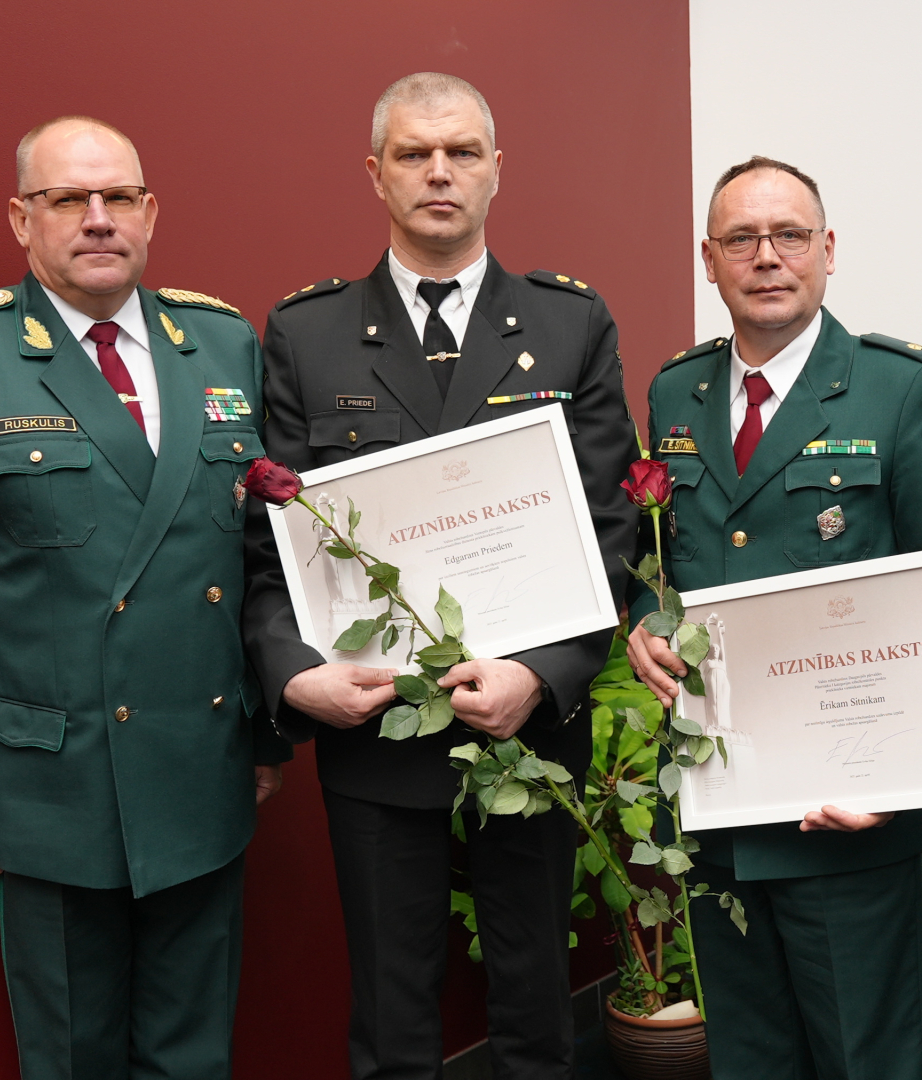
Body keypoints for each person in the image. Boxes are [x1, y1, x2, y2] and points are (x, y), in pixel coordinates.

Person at [0, 116, 290, 1079]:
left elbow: (254, 560)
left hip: (201, 768)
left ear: (150, 212)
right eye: (68, 199)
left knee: (194, 1056)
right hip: (47, 790)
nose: (99, 219)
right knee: (71, 1059)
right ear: (23, 219)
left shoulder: (221, 342)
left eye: (119, 197)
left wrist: (262, 739)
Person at [241, 73, 637, 1079]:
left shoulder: (569, 324)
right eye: (414, 154)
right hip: (374, 733)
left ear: (497, 169)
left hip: (529, 728)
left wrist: (542, 674)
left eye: (461, 151)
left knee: (538, 1019)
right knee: (392, 1025)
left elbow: (611, 529)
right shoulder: (306, 333)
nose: (439, 172)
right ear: (375, 174)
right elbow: (268, 544)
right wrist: (295, 675)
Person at [626, 156, 922, 1080]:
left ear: (828, 250)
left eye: (789, 235)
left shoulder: (900, 387)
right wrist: (646, 620)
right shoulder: (675, 392)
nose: (767, 256)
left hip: (849, 814)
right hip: (719, 804)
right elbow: (664, 558)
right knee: (749, 1059)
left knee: (870, 1062)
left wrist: (907, 776)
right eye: (741, 238)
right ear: (709, 259)